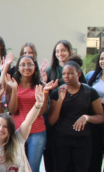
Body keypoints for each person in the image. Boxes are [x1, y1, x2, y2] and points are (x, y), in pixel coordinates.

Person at [3, 55, 57, 172]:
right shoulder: (12, 84)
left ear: (35, 67)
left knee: (33, 168)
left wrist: (46, 91)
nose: (26, 67)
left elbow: (41, 112)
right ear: (18, 68)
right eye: (23, 64)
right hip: (16, 131)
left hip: (37, 132)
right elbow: (13, 110)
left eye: (30, 64)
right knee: (16, 166)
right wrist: (15, 89)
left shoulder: (41, 85)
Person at [48, 60, 104, 172]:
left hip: (83, 140)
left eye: (70, 73)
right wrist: (60, 100)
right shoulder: (57, 92)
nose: (66, 77)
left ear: (78, 73)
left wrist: (87, 117)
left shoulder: (90, 92)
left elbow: (101, 117)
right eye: (64, 74)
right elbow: (51, 121)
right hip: (62, 138)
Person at [43, 40, 87, 172]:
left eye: (63, 50)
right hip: (54, 112)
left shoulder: (76, 70)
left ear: (69, 52)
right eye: (57, 51)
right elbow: (45, 90)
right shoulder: (51, 70)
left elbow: (85, 89)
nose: (60, 53)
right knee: (51, 150)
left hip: (71, 114)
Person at [0, 85, 45, 172]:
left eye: (5, 127)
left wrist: (38, 104)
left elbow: (28, 121)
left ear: (11, 129)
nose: (1, 129)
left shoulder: (17, 139)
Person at [85, 50, 104, 172]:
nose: (103, 61)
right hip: (96, 119)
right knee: (95, 153)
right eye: (102, 59)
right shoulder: (91, 76)